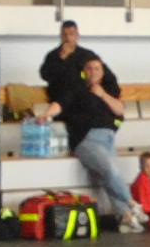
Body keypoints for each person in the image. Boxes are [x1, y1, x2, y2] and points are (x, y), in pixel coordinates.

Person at [52, 48, 140, 233]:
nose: (93, 71)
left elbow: (119, 109)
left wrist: (102, 95)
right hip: (87, 139)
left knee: (110, 175)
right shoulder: (77, 90)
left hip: (108, 138)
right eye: (89, 68)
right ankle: (131, 202)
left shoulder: (107, 91)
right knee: (111, 169)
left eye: (97, 68)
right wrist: (45, 115)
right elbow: (59, 104)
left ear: (102, 72)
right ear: (84, 71)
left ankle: (126, 216)